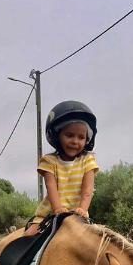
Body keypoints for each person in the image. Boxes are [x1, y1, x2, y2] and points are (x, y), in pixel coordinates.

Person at [24, 100, 99, 236]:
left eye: (81, 137)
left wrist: (82, 209)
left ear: (87, 140)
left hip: (79, 214)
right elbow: (51, 187)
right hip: (50, 213)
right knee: (28, 235)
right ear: (57, 136)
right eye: (69, 135)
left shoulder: (88, 160)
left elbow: (87, 190)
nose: (75, 141)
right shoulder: (49, 161)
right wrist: (57, 208)